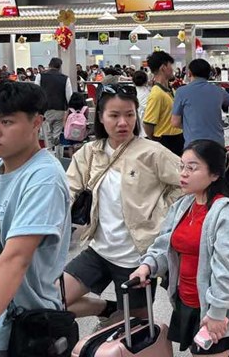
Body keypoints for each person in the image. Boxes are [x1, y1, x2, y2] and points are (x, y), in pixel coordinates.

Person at [62, 84, 182, 324]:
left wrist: (162, 209)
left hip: (136, 260)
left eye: (129, 114)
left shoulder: (152, 152)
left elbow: (187, 183)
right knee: (56, 300)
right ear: (101, 117)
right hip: (97, 250)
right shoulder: (90, 152)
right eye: (114, 115)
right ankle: (106, 308)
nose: (123, 122)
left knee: (138, 328)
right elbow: (68, 191)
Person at [0, 82, 71, 356]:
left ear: (36, 123)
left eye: (6, 121)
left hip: (22, 327)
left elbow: (16, 258)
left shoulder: (44, 178)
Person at [131, 140, 229, 356]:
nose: (184, 173)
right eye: (182, 166)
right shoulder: (183, 205)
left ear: (215, 174)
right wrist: (148, 266)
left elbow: (228, 270)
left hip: (217, 306)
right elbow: (165, 244)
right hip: (187, 302)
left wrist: (218, 313)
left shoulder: (226, 213)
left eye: (192, 167)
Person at [172, 59, 229, 148]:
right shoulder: (218, 91)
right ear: (209, 74)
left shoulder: (181, 92)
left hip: (193, 146)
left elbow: (175, 122)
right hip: (217, 145)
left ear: (189, 73)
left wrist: (192, 126)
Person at [144, 51, 185, 156]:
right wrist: (157, 140)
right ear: (163, 68)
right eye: (170, 65)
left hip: (177, 139)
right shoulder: (157, 94)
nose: (173, 69)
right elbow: (148, 124)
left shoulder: (169, 90)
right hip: (166, 141)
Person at [35, 57, 74, 148]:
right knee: (57, 135)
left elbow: (36, 93)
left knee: (46, 134)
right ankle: (57, 153)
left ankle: (49, 152)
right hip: (60, 110)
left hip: (45, 110)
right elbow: (69, 97)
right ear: (60, 67)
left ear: (49, 65)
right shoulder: (65, 78)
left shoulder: (40, 76)